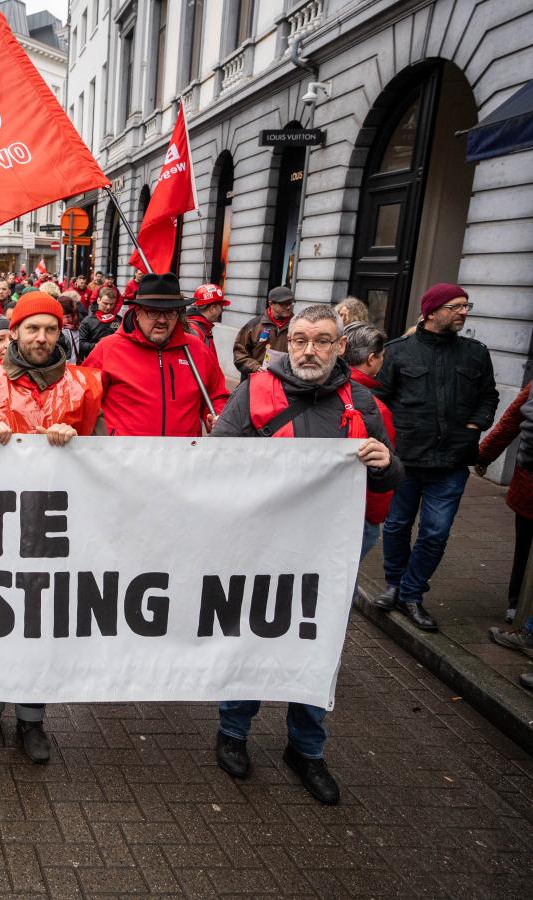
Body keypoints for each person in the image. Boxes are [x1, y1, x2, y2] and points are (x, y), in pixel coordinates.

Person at [210, 304, 402, 805]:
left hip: (327, 552)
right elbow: (217, 458)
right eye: (299, 340)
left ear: (340, 347)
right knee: (252, 634)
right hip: (261, 545)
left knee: (317, 643)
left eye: (321, 341)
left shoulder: (361, 400)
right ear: (286, 344)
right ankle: (233, 732)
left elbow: (389, 475)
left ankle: (307, 749)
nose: (309, 350)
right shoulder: (255, 391)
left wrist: (385, 463)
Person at [0, 293, 104, 763]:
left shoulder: (83, 386)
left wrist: (80, 443)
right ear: (14, 333)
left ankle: (33, 719)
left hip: (51, 531)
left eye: (50, 329)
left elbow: (107, 457)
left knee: (39, 624)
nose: (41, 338)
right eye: (32, 328)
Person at [372, 284, 498, 631]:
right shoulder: (398, 352)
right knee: (396, 525)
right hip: (405, 459)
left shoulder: (475, 353)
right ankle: (394, 584)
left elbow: (488, 396)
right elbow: (379, 401)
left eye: (466, 306)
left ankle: (411, 593)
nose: (464, 312)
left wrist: (474, 425)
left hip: (451, 461)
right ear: (431, 312)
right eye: (455, 306)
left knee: (436, 532)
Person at [84, 273, 229, 436]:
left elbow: (217, 394)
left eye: (169, 312)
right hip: (125, 451)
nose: (162, 320)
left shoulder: (196, 349)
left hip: (184, 450)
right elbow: (83, 399)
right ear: (137, 311)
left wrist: (218, 416)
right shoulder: (109, 348)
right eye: (153, 312)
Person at [476, 380, 533, 628]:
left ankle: (517, 605)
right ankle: (517, 604)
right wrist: (484, 455)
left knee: (525, 547)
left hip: (528, 479)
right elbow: (511, 421)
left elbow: (511, 421)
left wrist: (483, 456)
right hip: (529, 485)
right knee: (525, 546)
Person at [344, 323, 394, 560]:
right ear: (372, 359)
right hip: (358, 511)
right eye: (382, 356)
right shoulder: (376, 410)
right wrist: (374, 517)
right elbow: (379, 471)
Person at [233, 285, 294, 378]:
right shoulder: (254, 325)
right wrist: (255, 367)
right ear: (271, 304)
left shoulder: (298, 326)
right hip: (257, 379)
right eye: (283, 304)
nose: (288, 307)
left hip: (285, 381)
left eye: (290, 303)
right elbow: (239, 354)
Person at [186, 283, 230, 362]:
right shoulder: (195, 330)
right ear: (212, 308)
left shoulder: (203, 327)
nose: (222, 310)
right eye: (221, 307)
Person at [76, 285, 121, 357]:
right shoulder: (88, 321)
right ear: (98, 300)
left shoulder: (118, 320)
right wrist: (97, 345)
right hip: (94, 359)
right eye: (105, 303)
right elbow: (80, 344)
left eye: (111, 304)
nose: (108, 307)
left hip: (114, 358)